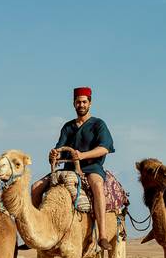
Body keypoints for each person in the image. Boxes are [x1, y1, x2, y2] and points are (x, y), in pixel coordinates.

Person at [31, 86, 115, 249]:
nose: (81, 105)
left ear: (89, 103)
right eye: (78, 102)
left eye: (84, 102)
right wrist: (54, 155)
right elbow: (60, 150)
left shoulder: (98, 124)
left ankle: (103, 235)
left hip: (91, 168)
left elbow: (105, 148)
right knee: (35, 188)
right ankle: (36, 232)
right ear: (74, 104)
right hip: (67, 169)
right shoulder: (68, 127)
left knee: (97, 186)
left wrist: (82, 155)